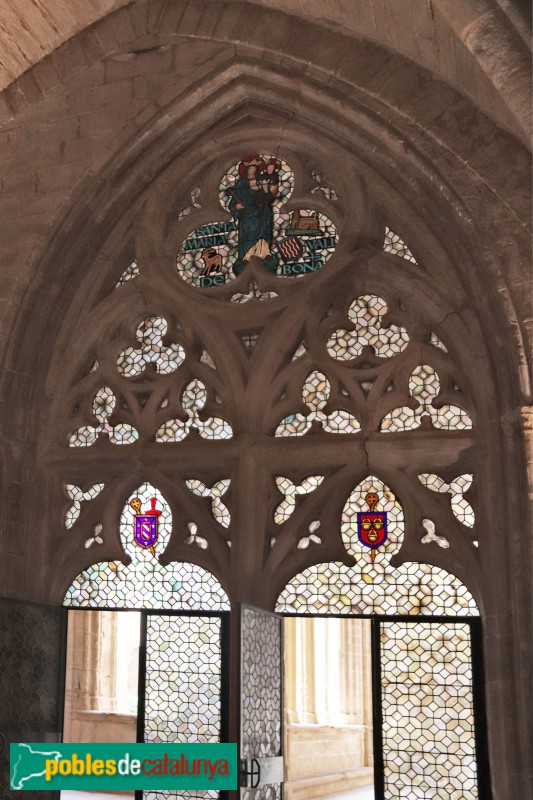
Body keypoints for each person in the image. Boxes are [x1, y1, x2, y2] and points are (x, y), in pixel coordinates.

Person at [228, 156, 279, 275]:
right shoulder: (241, 184)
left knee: (263, 231)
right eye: (250, 170)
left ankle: (264, 253)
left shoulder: (261, 181)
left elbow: (269, 193)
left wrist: (271, 192)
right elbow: (233, 203)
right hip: (247, 214)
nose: (252, 172)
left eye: (254, 170)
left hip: (263, 211)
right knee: (249, 233)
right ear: (246, 171)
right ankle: (247, 255)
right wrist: (236, 207)